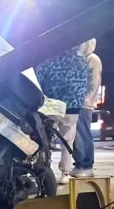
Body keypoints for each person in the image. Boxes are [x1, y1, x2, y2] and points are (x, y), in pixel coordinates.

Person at [35, 47, 89, 185]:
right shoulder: (81, 59)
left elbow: (38, 79)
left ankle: (43, 169)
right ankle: (65, 173)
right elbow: (85, 83)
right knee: (68, 140)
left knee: (44, 137)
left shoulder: (49, 57)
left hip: (51, 103)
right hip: (72, 105)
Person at [73, 39, 102, 178]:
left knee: (83, 134)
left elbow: (93, 82)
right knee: (77, 135)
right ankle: (80, 164)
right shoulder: (81, 58)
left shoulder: (92, 59)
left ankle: (87, 165)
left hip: (84, 104)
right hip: (78, 102)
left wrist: (85, 101)